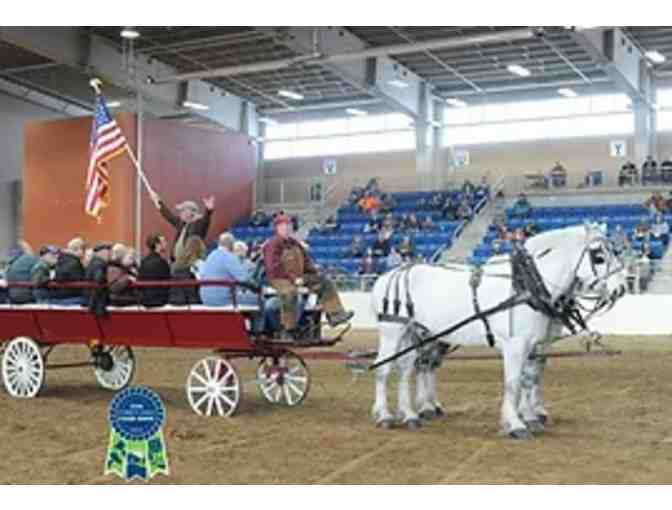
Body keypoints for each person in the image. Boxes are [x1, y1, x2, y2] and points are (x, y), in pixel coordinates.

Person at [263, 215, 353, 338]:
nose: (287, 229)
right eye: (284, 226)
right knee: (289, 293)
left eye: (289, 226)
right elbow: (273, 267)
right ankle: (288, 329)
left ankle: (335, 314)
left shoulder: (295, 244)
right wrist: (293, 279)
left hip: (299, 277)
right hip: (279, 278)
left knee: (324, 282)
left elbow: (307, 262)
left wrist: (314, 273)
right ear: (277, 228)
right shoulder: (272, 245)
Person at [150, 191, 215, 261]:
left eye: (182, 211)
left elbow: (205, 222)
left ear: (189, 213)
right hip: (177, 262)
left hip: (188, 264)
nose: (180, 213)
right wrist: (158, 201)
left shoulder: (198, 225)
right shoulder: (182, 223)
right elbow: (169, 215)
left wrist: (208, 211)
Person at [200, 233, 256, 308]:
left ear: (219, 243)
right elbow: (244, 279)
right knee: (260, 300)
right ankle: (258, 320)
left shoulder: (210, 255)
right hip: (223, 300)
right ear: (232, 245)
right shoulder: (229, 257)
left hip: (205, 299)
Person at [168, 236, 206, 306]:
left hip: (175, 301)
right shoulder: (202, 264)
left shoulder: (176, 265)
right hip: (194, 301)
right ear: (201, 249)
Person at [51, 237, 87, 305]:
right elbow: (80, 279)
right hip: (71, 297)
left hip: (58, 296)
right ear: (78, 249)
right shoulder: (75, 262)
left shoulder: (61, 259)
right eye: (83, 249)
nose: (84, 253)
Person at [139, 234, 172, 308]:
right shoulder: (162, 262)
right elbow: (168, 281)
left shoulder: (143, 261)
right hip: (160, 301)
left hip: (145, 301)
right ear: (157, 245)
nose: (166, 243)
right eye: (163, 241)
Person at [85, 242, 112, 316]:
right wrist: (93, 304)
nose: (109, 255)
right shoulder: (99, 264)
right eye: (107, 252)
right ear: (101, 252)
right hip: (97, 302)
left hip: (92, 299)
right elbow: (98, 282)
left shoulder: (94, 262)